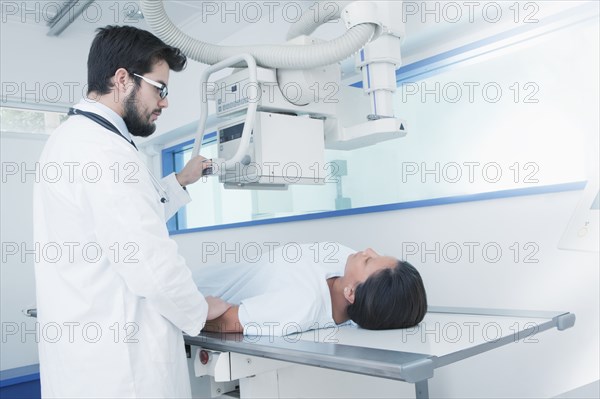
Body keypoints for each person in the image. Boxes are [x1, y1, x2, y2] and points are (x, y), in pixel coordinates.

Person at [33, 26, 229, 398]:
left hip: (85, 362)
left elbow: (122, 221)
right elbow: (150, 264)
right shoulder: (106, 153)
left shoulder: (70, 140)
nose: (165, 102)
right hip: (121, 369)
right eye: (160, 87)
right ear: (123, 79)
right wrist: (199, 310)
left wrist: (180, 182)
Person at [193, 242, 427, 336]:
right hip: (193, 274)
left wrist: (196, 310)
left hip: (183, 293)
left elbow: (226, 322)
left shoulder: (301, 303)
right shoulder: (342, 258)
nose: (367, 250)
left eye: (368, 261)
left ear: (351, 294)